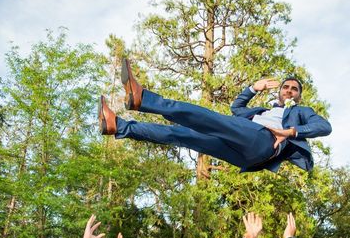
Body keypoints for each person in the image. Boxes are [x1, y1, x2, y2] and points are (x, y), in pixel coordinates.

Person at [98, 58, 332, 173]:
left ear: (298, 96)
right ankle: (118, 126)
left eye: (294, 89)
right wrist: (253, 88)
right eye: (286, 87)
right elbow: (236, 109)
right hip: (244, 152)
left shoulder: (301, 112)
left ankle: (144, 99)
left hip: (265, 141)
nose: (289, 90)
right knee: (182, 134)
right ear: (279, 91)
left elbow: (324, 126)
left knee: (206, 118)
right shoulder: (264, 110)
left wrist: (291, 131)